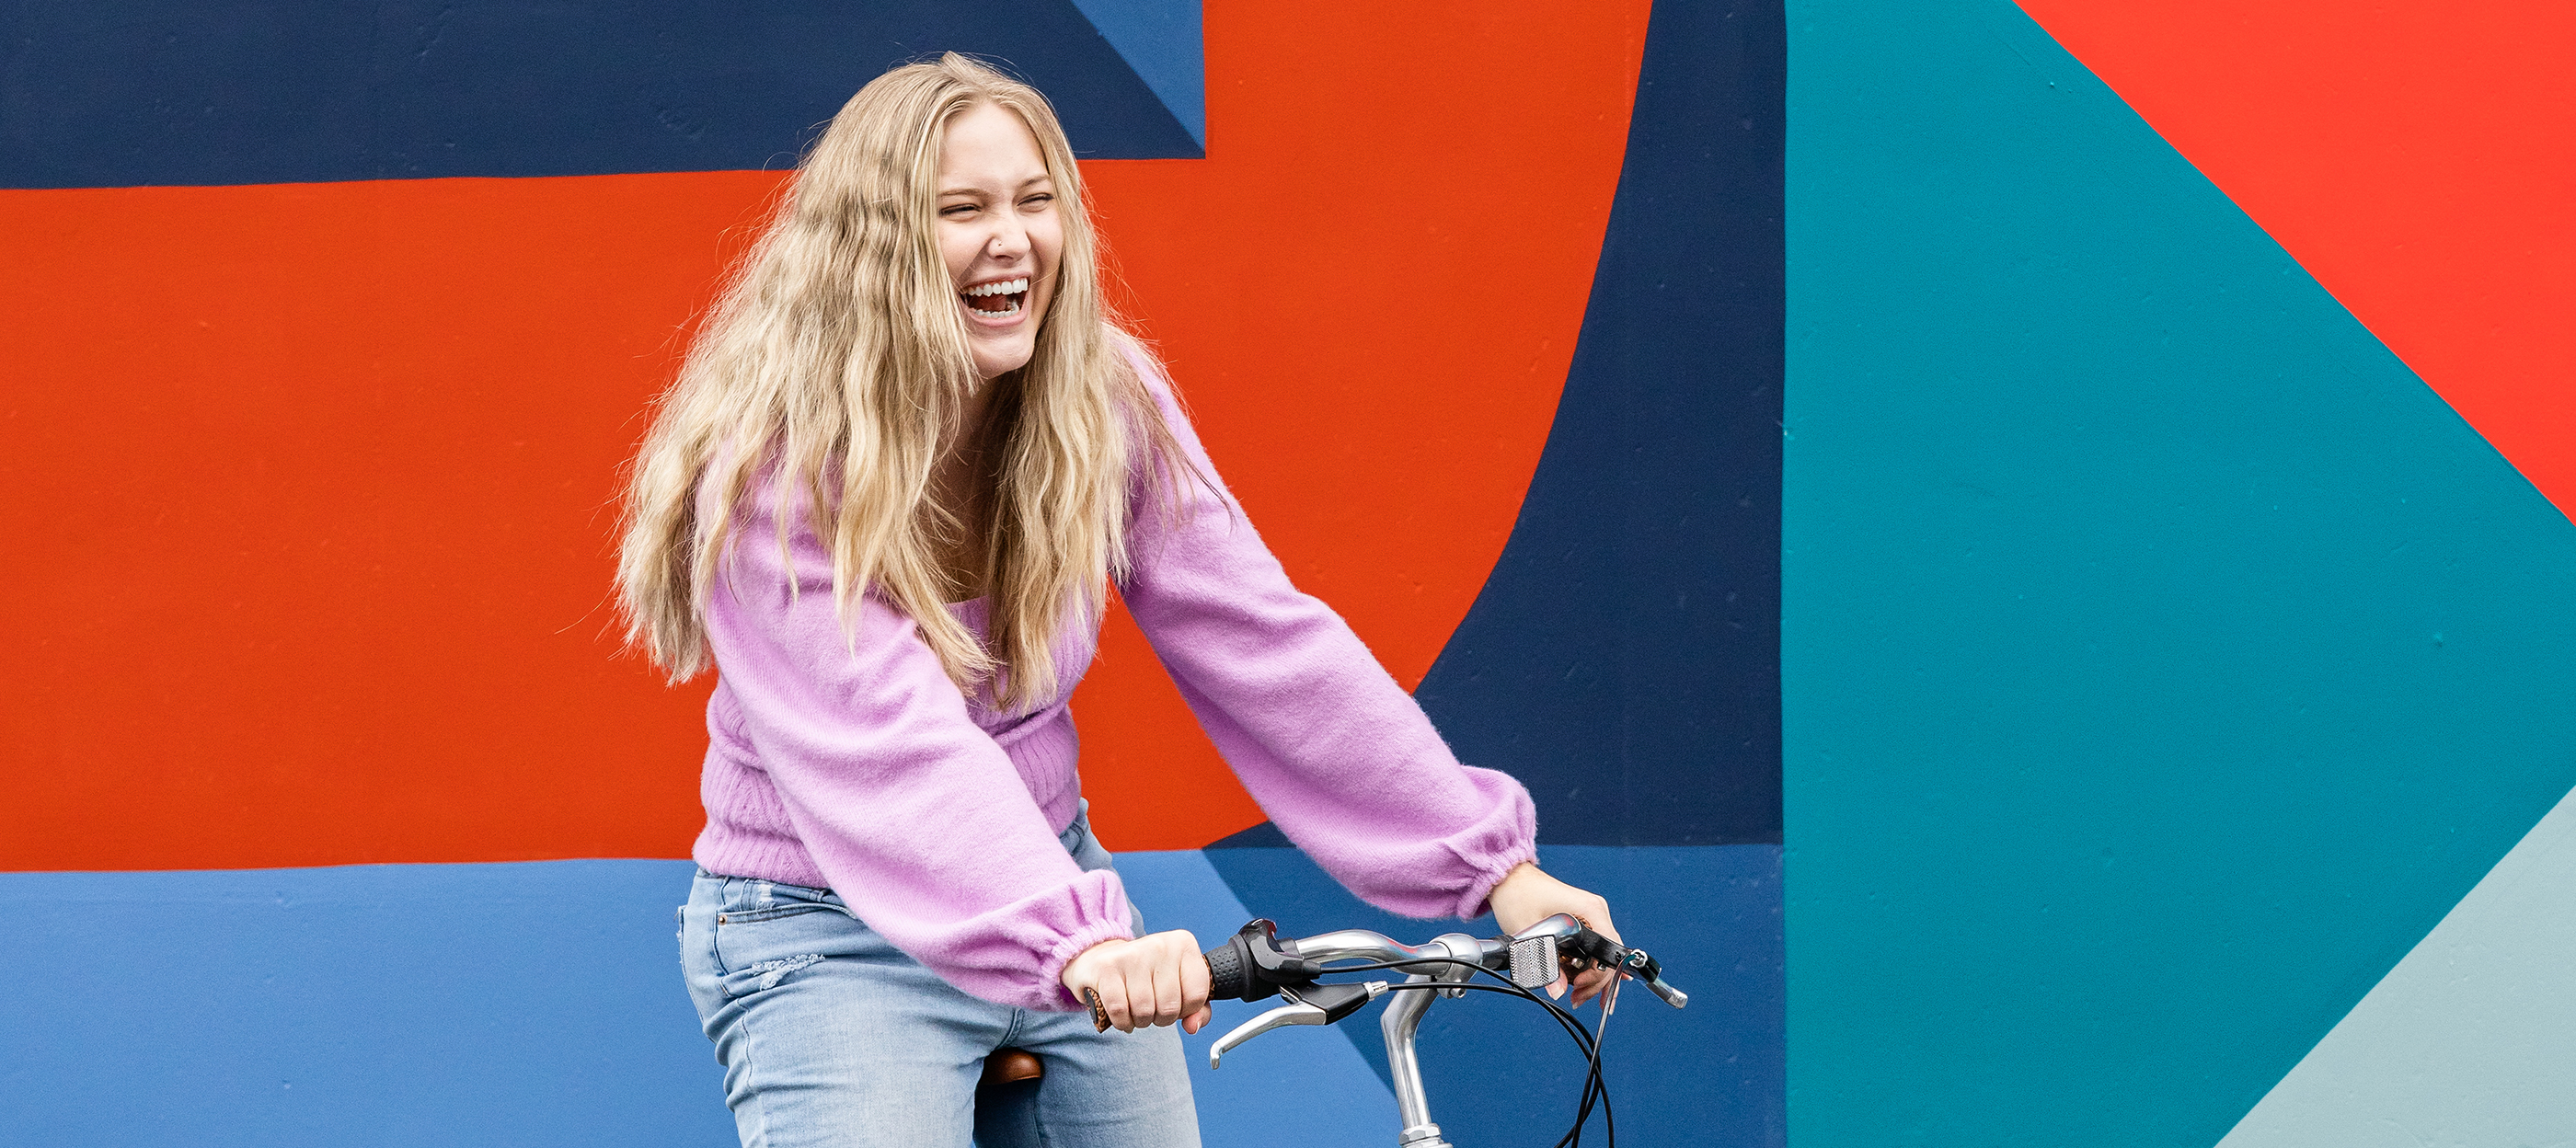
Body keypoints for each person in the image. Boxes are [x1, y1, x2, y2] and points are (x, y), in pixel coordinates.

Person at [615, 53, 1623, 1148]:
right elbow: (895, 746)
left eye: (1035, 200)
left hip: (1054, 888)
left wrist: (1494, 869)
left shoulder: (1101, 403)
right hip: (831, 932)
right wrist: (1077, 941)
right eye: (962, 210)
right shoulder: (778, 470)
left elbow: (1262, 642)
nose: (1012, 239)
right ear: (875, 248)